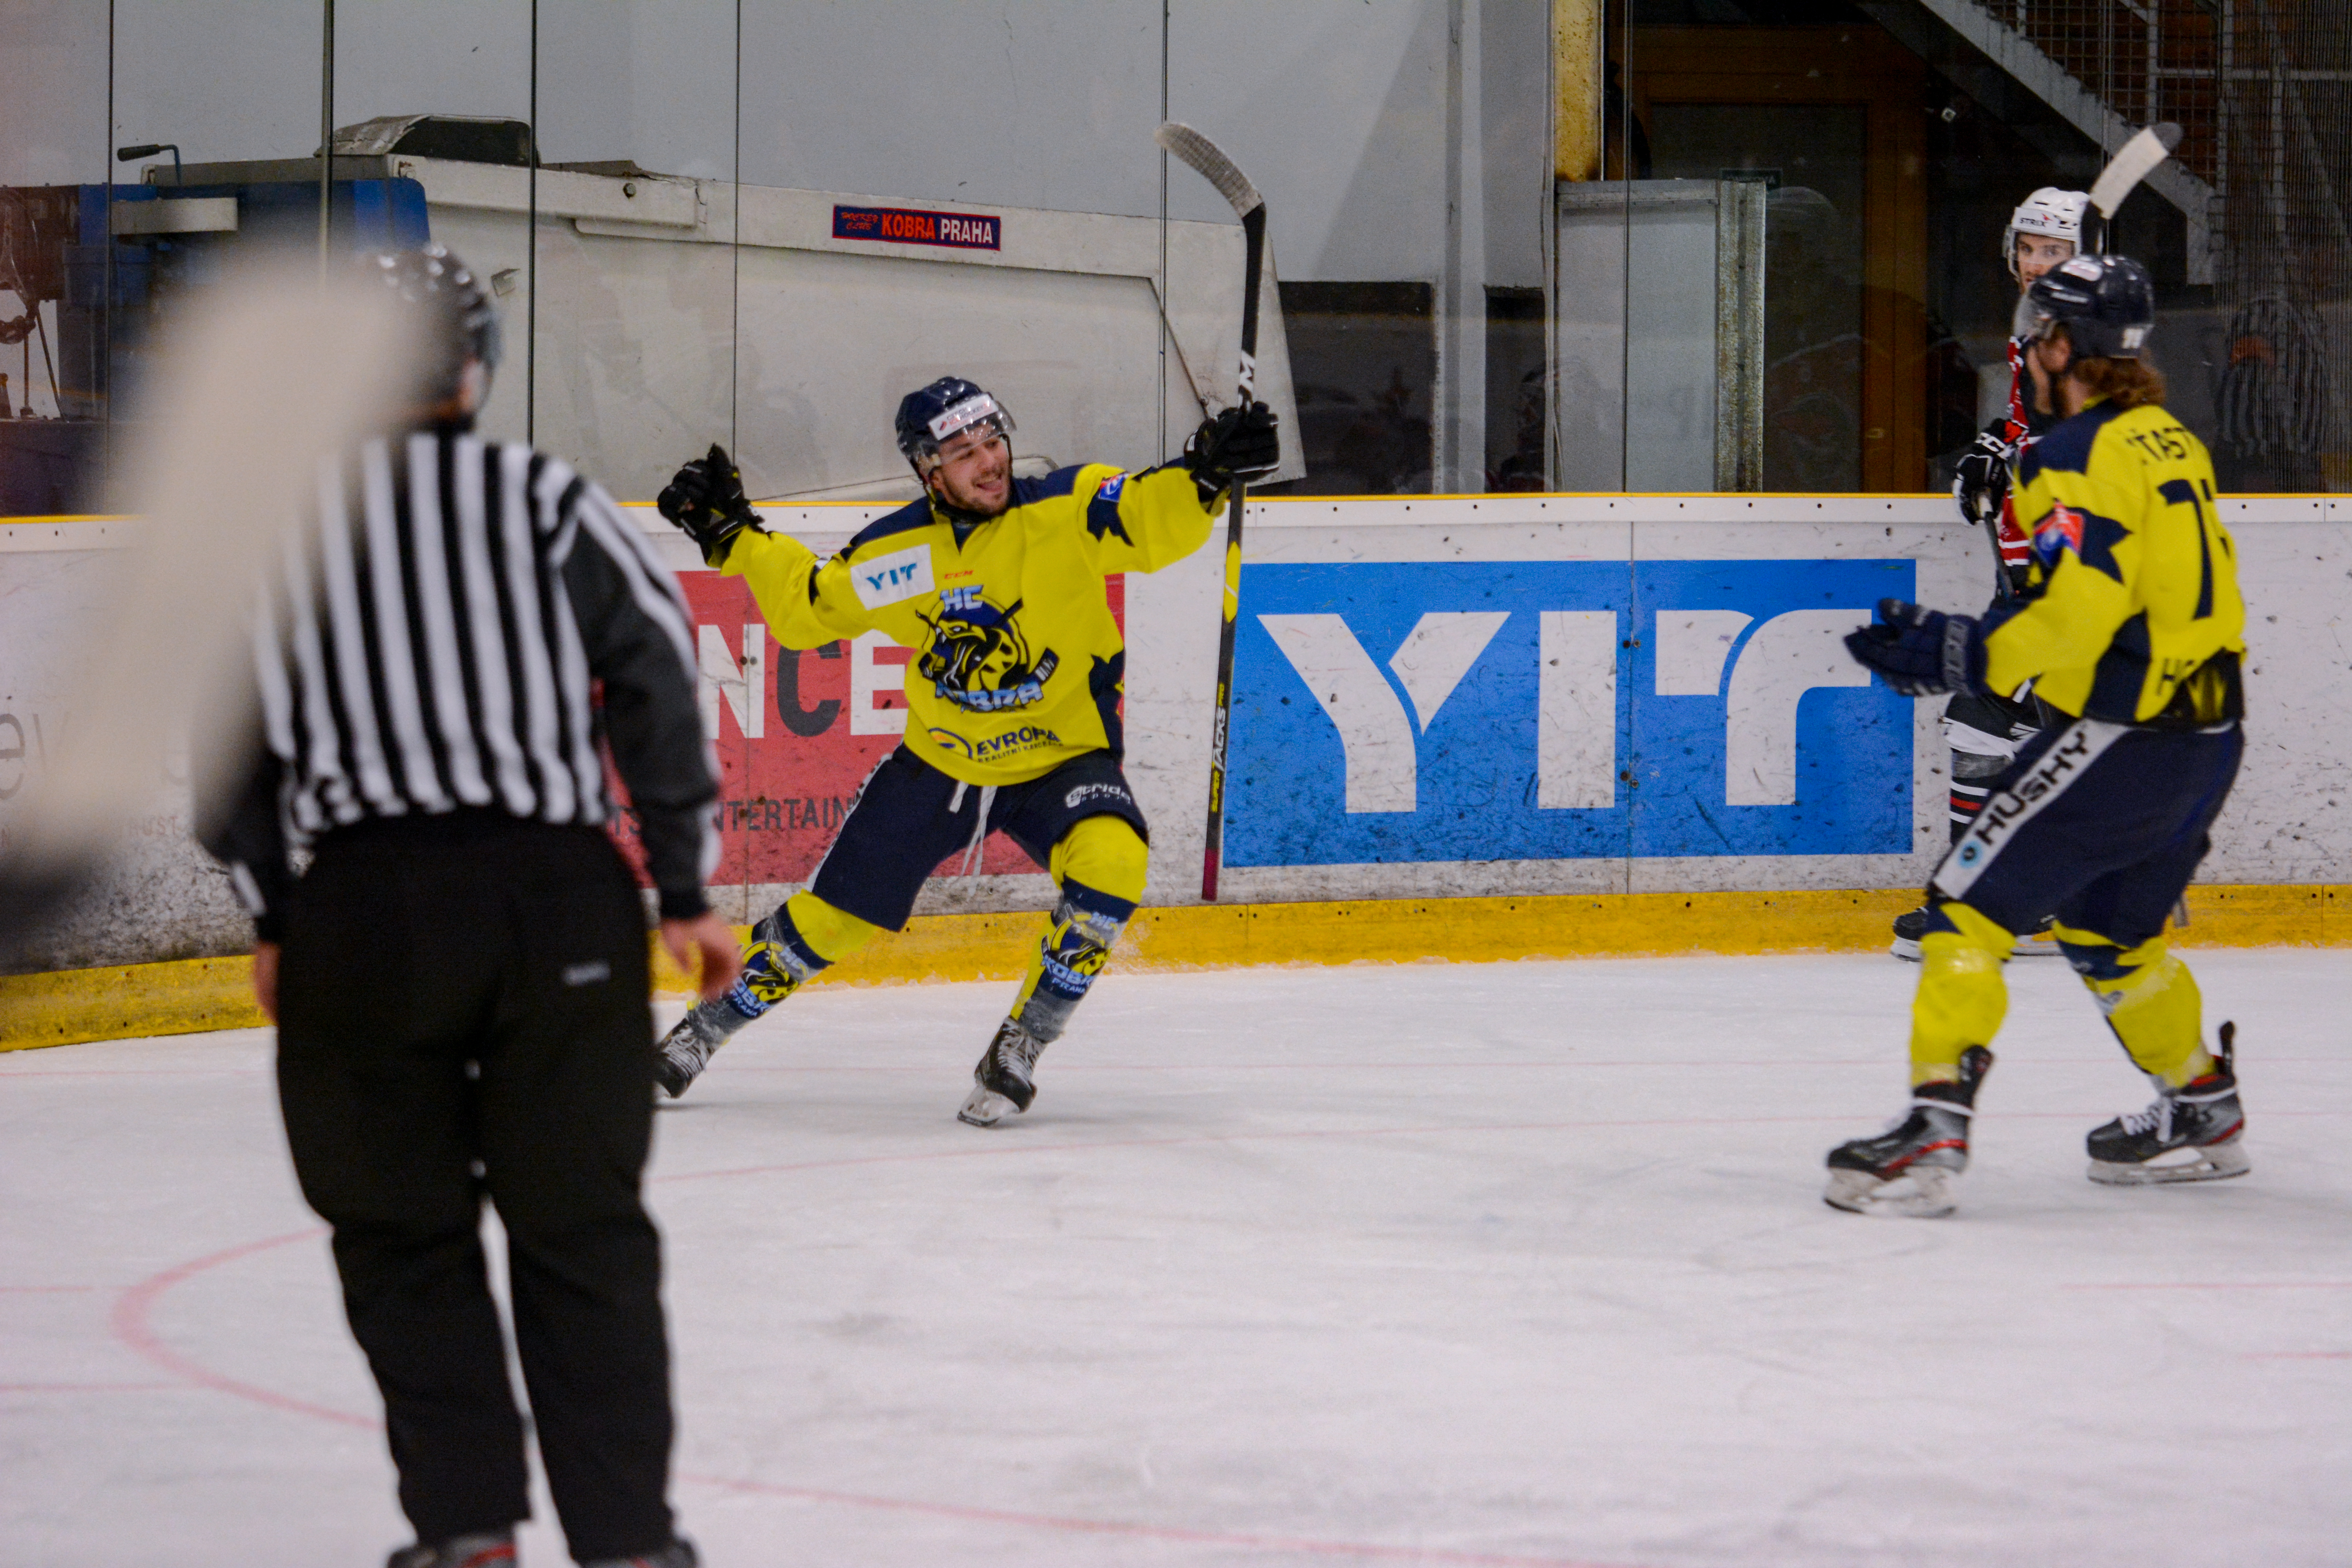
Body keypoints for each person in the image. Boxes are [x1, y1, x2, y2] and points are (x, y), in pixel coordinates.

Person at [196, 245, 736, 1568]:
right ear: (475, 365)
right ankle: (626, 1546)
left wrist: (276, 911)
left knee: (403, 1239)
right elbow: (658, 677)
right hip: (554, 901)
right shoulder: (544, 496)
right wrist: (681, 883)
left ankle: (469, 1537)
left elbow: (222, 741)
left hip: (364, 919)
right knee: (583, 1234)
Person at [649, 381, 1277, 1123]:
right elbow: (812, 608)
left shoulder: (1065, 511)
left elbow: (1146, 515)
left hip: (1060, 760)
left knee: (1114, 862)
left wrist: (1203, 475)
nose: (988, 464)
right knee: (832, 922)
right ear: (927, 470)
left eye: (992, 442)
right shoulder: (902, 556)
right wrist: (737, 539)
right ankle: (702, 1031)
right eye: (962, 453)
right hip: (942, 765)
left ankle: (1023, 1041)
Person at [1828, 252, 2249, 1217]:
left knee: (1962, 912)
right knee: (2113, 935)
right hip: (2210, 737)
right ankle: (2203, 1105)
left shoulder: (2073, 459)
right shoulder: (2167, 439)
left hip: (2130, 733)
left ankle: (1932, 1131)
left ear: (2063, 346)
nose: (2024, 344)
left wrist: (1959, 652)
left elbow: (2079, 615)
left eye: (2035, 330)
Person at [1891, 187, 2091, 961]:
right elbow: (2024, 424)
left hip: (2064, 580)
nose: (2039, 264)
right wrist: (1989, 454)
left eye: (2058, 252)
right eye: (2032, 249)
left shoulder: (2088, 344)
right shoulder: (2038, 332)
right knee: (2042, 731)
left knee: (1980, 719)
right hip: (2024, 573)